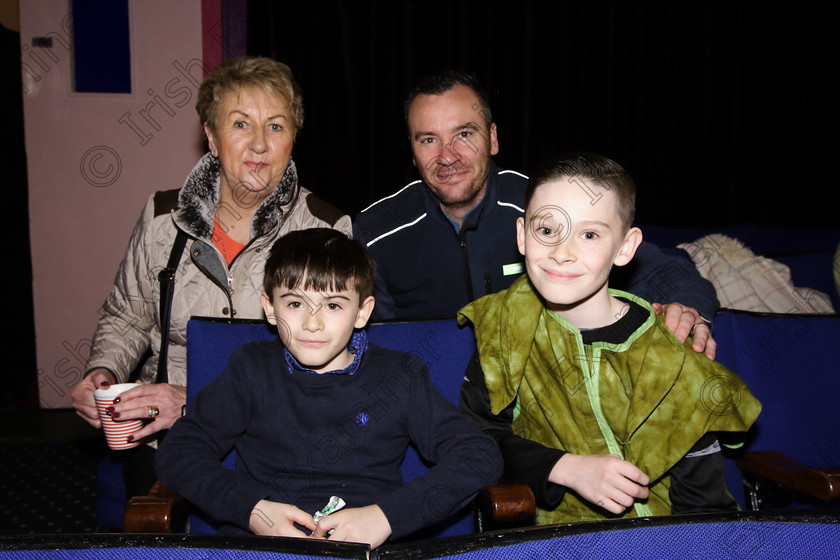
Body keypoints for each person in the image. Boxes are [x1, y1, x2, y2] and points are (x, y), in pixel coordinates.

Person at [71, 57, 352, 497]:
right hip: (168, 437)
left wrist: (191, 400)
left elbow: (329, 367)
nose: (259, 145)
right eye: (241, 124)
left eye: (276, 127)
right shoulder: (163, 219)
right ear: (211, 136)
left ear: (293, 138)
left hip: (282, 439)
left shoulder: (325, 231)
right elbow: (127, 316)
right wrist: (104, 371)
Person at [458, 153, 761, 525]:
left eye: (589, 235)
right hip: (557, 542)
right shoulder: (501, 328)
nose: (562, 253)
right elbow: (473, 436)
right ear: (522, 235)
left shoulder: (670, 350)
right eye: (547, 230)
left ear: (625, 247)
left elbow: (705, 507)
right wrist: (563, 468)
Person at [154, 228, 503, 548]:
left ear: (362, 312)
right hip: (263, 547)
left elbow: (478, 456)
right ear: (269, 309)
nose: (312, 323)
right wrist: (253, 511)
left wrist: (385, 517)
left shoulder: (400, 376)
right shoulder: (250, 369)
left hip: (367, 549)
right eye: (294, 303)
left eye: (333, 305)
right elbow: (179, 453)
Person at [353, 71, 718, 359]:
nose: (448, 155)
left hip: (540, 398)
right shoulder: (375, 233)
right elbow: (375, 344)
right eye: (428, 139)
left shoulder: (545, 203)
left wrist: (690, 312)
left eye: (465, 133)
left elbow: (664, 269)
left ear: (493, 139)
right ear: (413, 153)